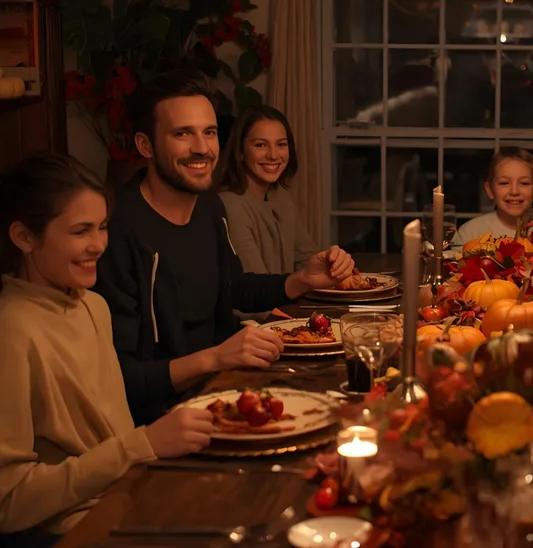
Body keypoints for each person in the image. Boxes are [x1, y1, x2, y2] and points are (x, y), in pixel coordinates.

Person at [94, 70, 356, 426]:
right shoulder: (116, 231)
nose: (202, 148)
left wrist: (303, 279)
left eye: (210, 132)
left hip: (226, 387)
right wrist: (215, 358)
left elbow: (234, 287)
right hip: (164, 420)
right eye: (182, 133)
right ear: (145, 146)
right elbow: (120, 379)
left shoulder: (208, 208)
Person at [0, 154, 213, 544]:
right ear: (24, 237)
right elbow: (9, 501)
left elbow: (120, 438)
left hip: (132, 495)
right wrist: (141, 444)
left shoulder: (91, 304)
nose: (98, 245)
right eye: (80, 231)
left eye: (102, 227)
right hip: (76, 527)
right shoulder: (12, 329)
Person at [217, 105, 316, 273]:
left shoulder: (281, 197)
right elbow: (257, 282)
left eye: (281, 144)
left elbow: (306, 258)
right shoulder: (229, 204)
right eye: (261, 145)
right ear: (240, 151)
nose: (273, 155)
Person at [451, 147, 533, 248]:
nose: (514, 191)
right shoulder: (470, 233)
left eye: (524, 183)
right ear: (490, 190)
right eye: (504, 183)